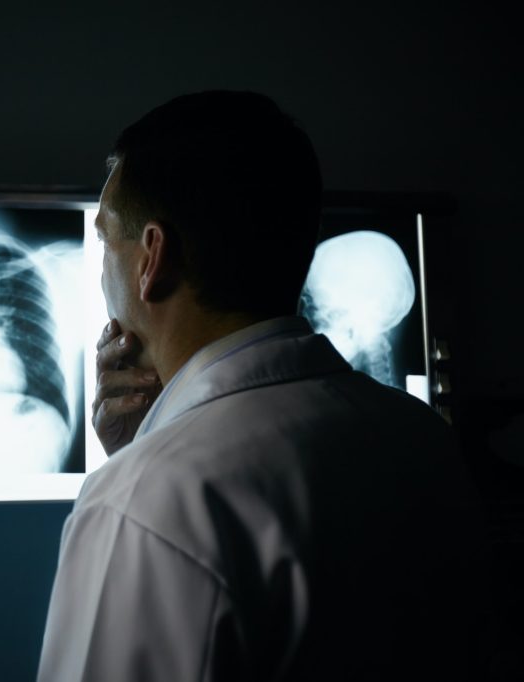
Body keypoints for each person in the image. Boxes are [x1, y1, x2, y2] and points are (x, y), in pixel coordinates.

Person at [37, 91, 487, 681]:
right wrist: (147, 446)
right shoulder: (421, 435)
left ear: (152, 257)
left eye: (105, 242)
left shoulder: (148, 503)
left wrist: (140, 472)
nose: (101, 271)